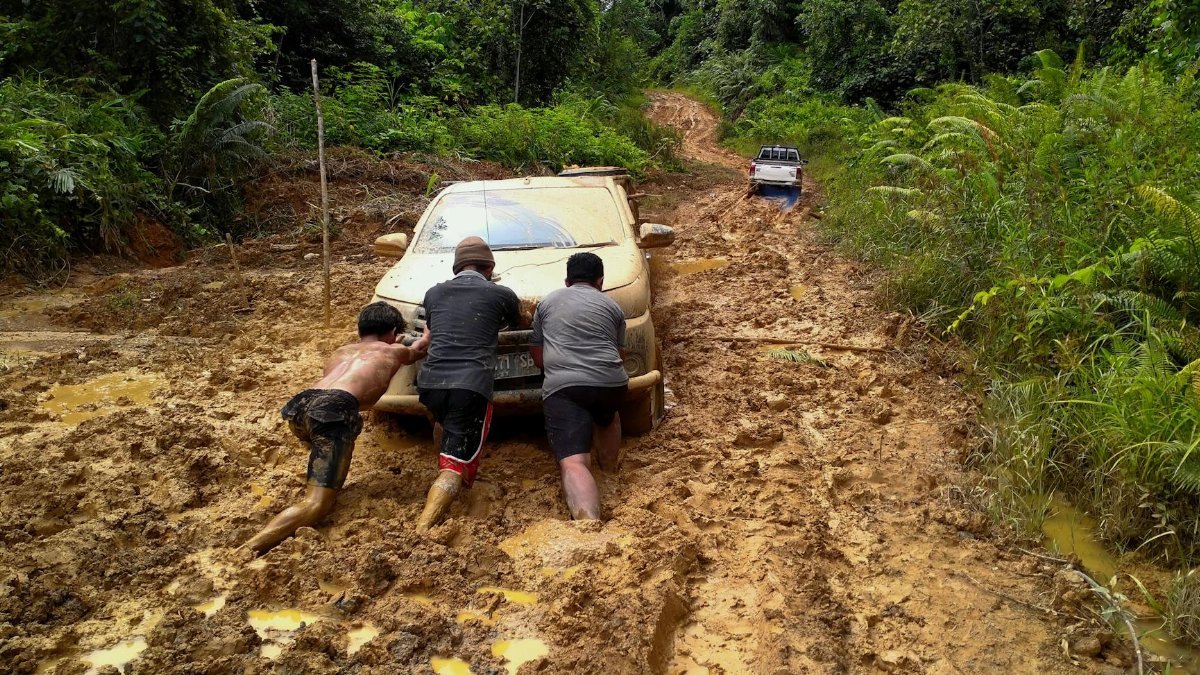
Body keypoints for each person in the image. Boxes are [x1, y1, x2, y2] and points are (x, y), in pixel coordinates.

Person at [243, 302, 429, 553]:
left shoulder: (340, 351)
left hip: (299, 407)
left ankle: (321, 467)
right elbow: (420, 348)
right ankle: (247, 549)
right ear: (393, 332)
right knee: (316, 505)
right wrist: (427, 331)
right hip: (333, 410)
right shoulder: (392, 352)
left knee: (320, 437)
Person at [415, 236, 521, 531]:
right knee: (454, 467)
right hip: (470, 385)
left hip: (430, 383)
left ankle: (449, 469)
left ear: (457, 267)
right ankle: (422, 529)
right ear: (489, 268)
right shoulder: (501, 294)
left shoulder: (433, 293)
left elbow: (434, 329)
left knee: (445, 427)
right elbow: (519, 322)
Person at [530, 252, 628, 520]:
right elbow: (619, 357)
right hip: (613, 383)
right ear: (601, 281)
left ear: (566, 280)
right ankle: (609, 473)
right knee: (608, 417)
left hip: (566, 385)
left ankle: (588, 523)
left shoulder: (547, 303)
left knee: (574, 462)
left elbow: (539, 358)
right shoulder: (613, 307)